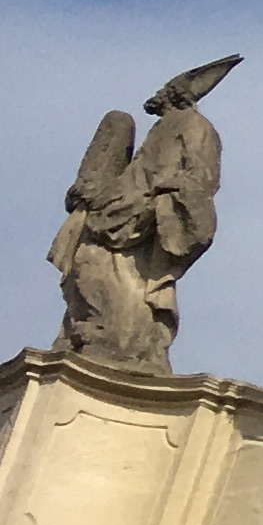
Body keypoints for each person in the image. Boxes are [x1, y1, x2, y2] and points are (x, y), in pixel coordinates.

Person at [51, 55, 238, 370]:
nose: (159, 95)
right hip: (113, 211)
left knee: (127, 290)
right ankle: (96, 335)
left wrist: (161, 196)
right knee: (86, 267)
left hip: (144, 217)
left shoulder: (195, 126)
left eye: (167, 90)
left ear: (174, 95)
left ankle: (124, 345)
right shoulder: (161, 127)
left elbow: (200, 176)